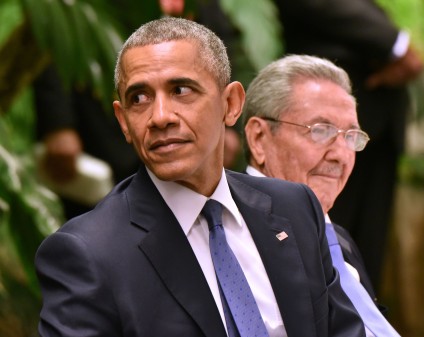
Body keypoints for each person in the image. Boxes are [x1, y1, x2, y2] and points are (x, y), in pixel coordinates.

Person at [34, 17, 365, 337]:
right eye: (139, 98)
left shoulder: (293, 208)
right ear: (123, 122)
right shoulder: (89, 253)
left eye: (180, 90)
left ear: (231, 104)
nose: (160, 117)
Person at [243, 54, 400, 336]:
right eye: (321, 130)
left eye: (351, 135)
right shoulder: (234, 233)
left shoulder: (339, 240)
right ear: (258, 139)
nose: (341, 154)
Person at [273, 0, 424, 288]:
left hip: (380, 118)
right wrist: (396, 43)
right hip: (319, 111)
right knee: (317, 244)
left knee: (366, 256)